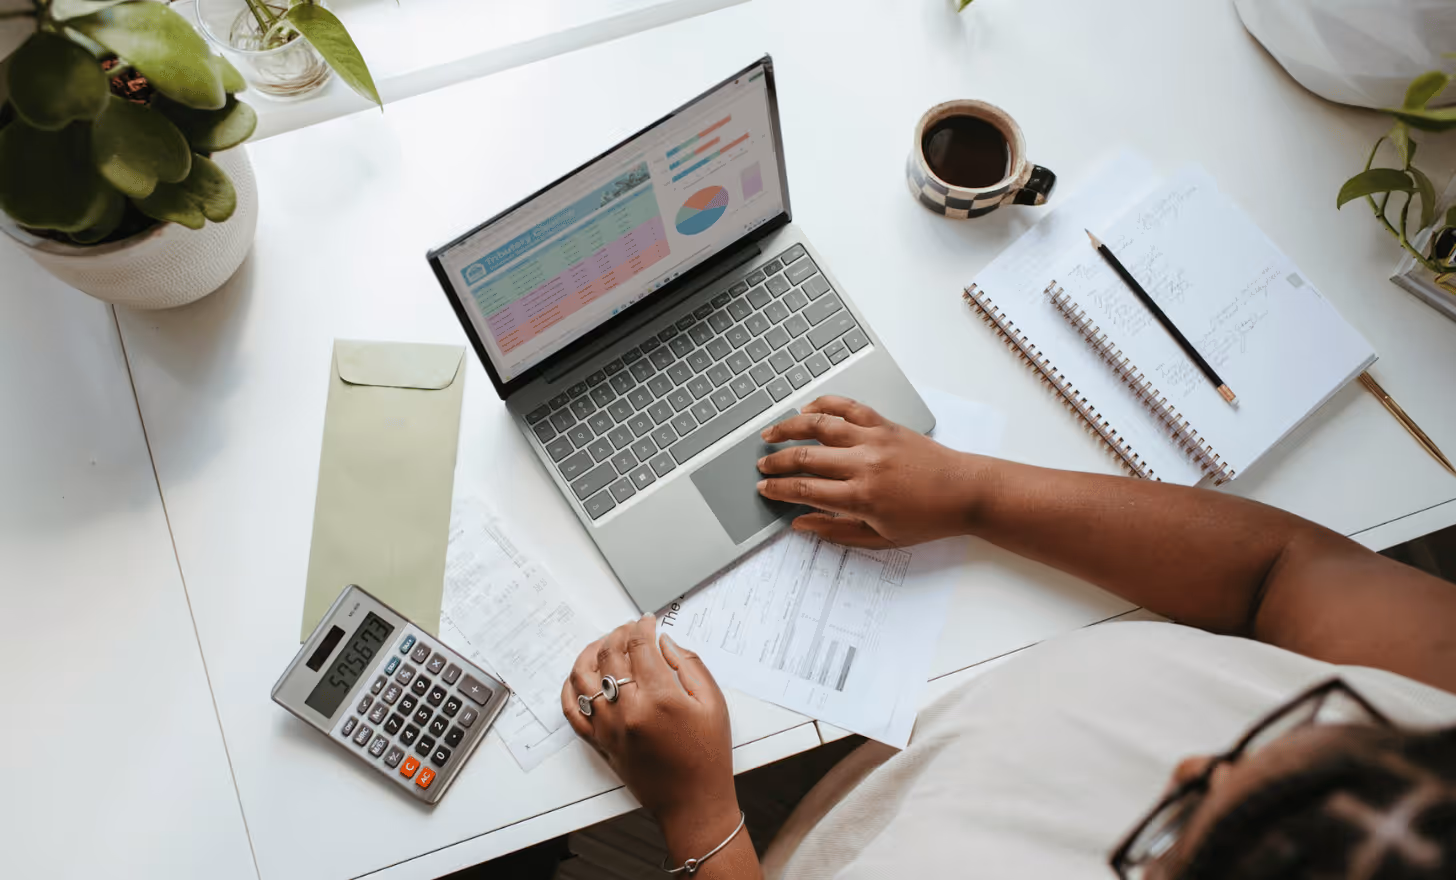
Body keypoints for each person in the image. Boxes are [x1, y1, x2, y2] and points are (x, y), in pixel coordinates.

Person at [560, 397, 1456, 879]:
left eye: (1173, 834)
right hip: (914, 740)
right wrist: (973, 494)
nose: (1188, 766)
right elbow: (1282, 570)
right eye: (1306, 724)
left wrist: (701, 817)